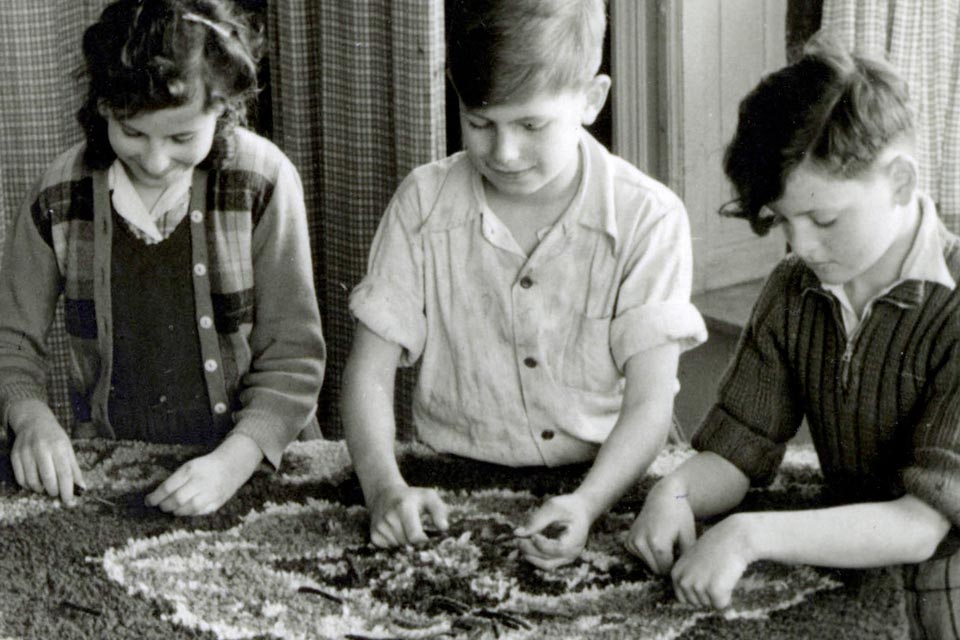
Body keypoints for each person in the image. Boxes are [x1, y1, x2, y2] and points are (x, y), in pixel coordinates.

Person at [343, 0, 706, 569]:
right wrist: (385, 489)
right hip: (450, 475)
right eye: (480, 123)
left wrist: (587, 505)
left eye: (531, 125)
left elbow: (650, 403)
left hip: (605, 476)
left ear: (592, 99)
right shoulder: (421, 201)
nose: (503, 153)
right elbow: (367, 374)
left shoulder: (650, 217)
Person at [626, 37, 960, 638]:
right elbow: (738, 449)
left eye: (825, 219)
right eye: (784, 220)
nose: (800, 246)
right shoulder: (794, 288)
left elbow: (922, 524)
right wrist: (675, 491)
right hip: (853, 583)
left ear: (902, 181)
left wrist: (747, 534)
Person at [0, 0, 325, 516]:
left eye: (181, 137)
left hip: (255, 471)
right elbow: (11, 341)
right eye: (132, 132)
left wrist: (234, 462)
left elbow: (293, 357)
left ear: (224, 108)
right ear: (102, 106)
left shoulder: (263, 181)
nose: (154, 160)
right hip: (115, 479)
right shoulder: (58, 194)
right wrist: (31, 418)